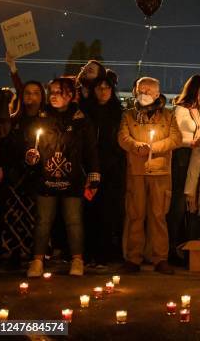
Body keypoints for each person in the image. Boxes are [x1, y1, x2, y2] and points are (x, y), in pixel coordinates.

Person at [25, 78, 100, 277]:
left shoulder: (81, 119)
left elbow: (91, 150)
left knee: (74, 220)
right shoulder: (42, 116)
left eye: (60, 92)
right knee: (43, 220)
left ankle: (77, 260)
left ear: (70, 95)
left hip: (72, 177)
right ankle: (37, 260)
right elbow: (32, 143)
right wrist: (31, 156)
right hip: (46, 177)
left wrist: (93, 176)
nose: (54, 96)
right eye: (52, 92)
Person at [118, 77, 181, 274]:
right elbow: (122, 137)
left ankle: (160, 258)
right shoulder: (128, 115)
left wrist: (154, 148)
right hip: (136, 171)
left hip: (160, 171)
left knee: (158, 215)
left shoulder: (168, 115)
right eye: (140, 89)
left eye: (148, 90)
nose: (144, 93)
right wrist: (136, 146)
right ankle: (133, 257)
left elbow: (176, 139)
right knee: (135, 215)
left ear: (157, 93)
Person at [0, 80, 45, 265]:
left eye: (36, 93)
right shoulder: (13, 119)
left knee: (34, 215)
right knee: (13, 214)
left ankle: (32, 251)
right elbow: (4, 145)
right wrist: (0, 165)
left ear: (42, 97)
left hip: (36, 175)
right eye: (27, 93)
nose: (31, 97)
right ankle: (12, 250)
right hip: (14, 174)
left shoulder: (46, 120)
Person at [167, 75, 200, 265]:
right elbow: (175, 136)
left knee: (197, 204)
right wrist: (193, 142)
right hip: (183, 159)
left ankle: (191, 250)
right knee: (179, 203)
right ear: (198, 90)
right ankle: (171, 248)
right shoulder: (180, 110)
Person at [81, 69, 125, 268]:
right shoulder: (85, 111)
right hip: (88, 166)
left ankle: (104, 253)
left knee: (109, 211)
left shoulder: (118, 112)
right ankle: (87, 252)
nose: (104, 91)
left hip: (112, 168)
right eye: (100, 88)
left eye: (107, 88)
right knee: (89, 210)